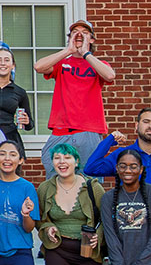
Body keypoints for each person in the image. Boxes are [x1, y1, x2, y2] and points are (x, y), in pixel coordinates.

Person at [33, 20, 113, 163]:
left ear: (92, 39)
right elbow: (39, 67)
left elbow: (110, 75)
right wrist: (68, 51)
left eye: (85, 32)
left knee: (89, 179)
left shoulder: (98, 64)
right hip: (61, 130)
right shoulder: (62, 63)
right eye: (75, 32)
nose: (79, 34)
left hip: (89, 130)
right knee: (54, 174)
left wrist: (86, 53)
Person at [84, 107, 151, 190]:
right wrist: (109, 140)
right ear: (136, 126)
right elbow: (91, 168)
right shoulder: (123, 155)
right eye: (146, 122)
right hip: (129, 212)